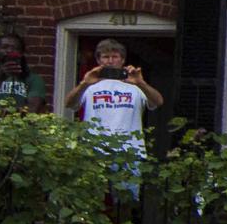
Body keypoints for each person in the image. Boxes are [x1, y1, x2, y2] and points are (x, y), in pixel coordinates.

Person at [67, 37, 161, 212]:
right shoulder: (90, 86)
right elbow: (69, 103)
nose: (110, 61)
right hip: (94, 150)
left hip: (128, 150)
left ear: (123, 60)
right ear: (98, 60)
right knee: (90, 200)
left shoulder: (134, 86)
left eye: (115, 56)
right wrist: (84, 83)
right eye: (105, 57)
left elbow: (157, 101)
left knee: (126, 202)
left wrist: (141, 83)